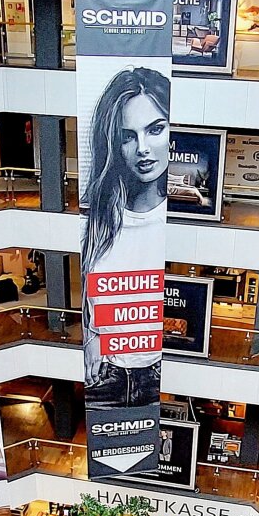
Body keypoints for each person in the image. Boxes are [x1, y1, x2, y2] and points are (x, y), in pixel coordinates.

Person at [81, 67, 169, 408]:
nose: (143, 149)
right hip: (105, 374)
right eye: (127, 136)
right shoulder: (95, 219)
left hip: (162, 374)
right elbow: (89, 296)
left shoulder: (183, 219)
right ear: (114, 144)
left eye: (156, 129)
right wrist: (91, 338)